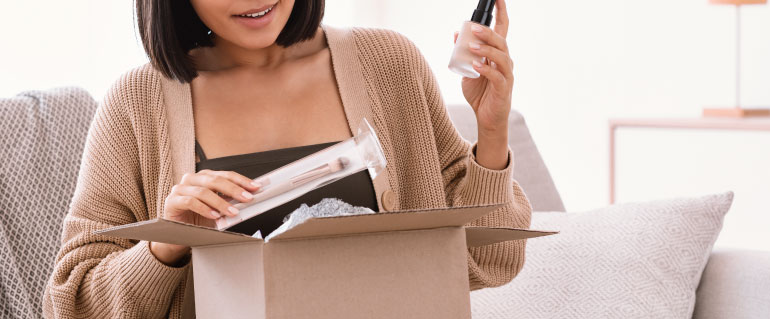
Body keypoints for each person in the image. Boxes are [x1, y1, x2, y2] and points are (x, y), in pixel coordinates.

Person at [42, 0, 531, 317]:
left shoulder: (387, 62)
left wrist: (491, 133)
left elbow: (489, 261)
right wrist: (165, 246)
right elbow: (71, 303)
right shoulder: (137, 103)